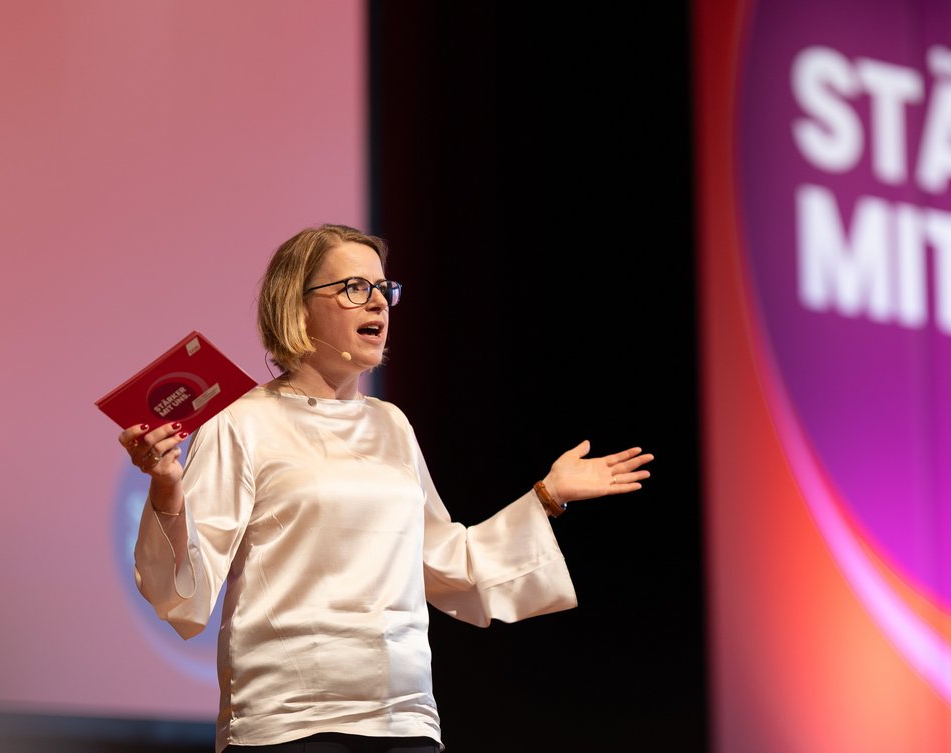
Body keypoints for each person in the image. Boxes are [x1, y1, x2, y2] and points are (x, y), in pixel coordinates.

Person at [117, 224, 653, 753]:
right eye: (354, 288)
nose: (377, 304)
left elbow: (447, 564)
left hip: (403, 720)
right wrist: (167, 491)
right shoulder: (242, 422)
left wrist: (546, 497)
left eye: (383, 289)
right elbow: (181, 593)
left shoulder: (392, 424)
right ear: (296, 307)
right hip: (291, 720)